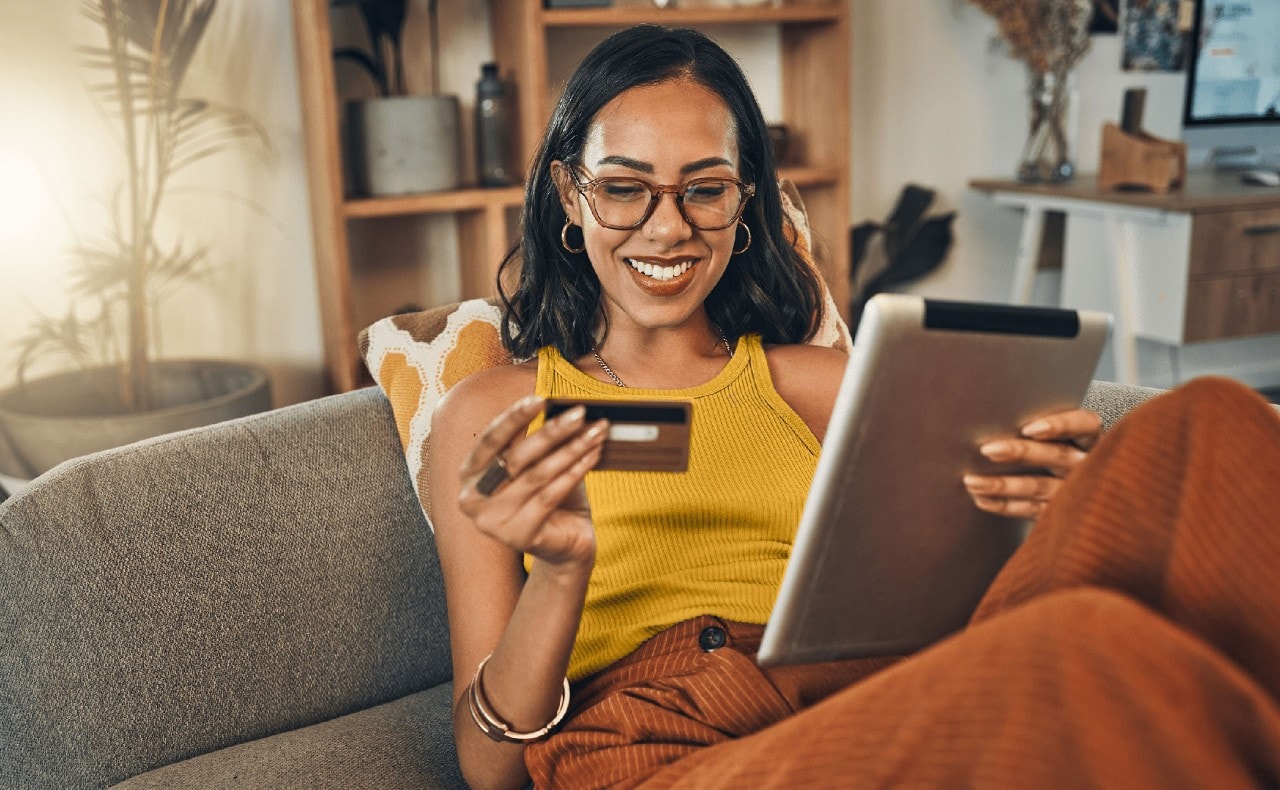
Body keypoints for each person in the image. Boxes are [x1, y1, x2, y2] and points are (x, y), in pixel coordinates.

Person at [427, 25, 1280, 789]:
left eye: (704, 188)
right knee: (1082, 647)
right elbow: (489, 765)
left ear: (744, 202)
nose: (666, 228)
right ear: (572, 197)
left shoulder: (826, 380)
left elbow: (945, 581)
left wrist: (1061, 505)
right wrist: (565, 572)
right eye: (624, 188)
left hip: (861, 688)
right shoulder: (498, 409)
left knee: (1214, 424)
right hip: (658, 742)